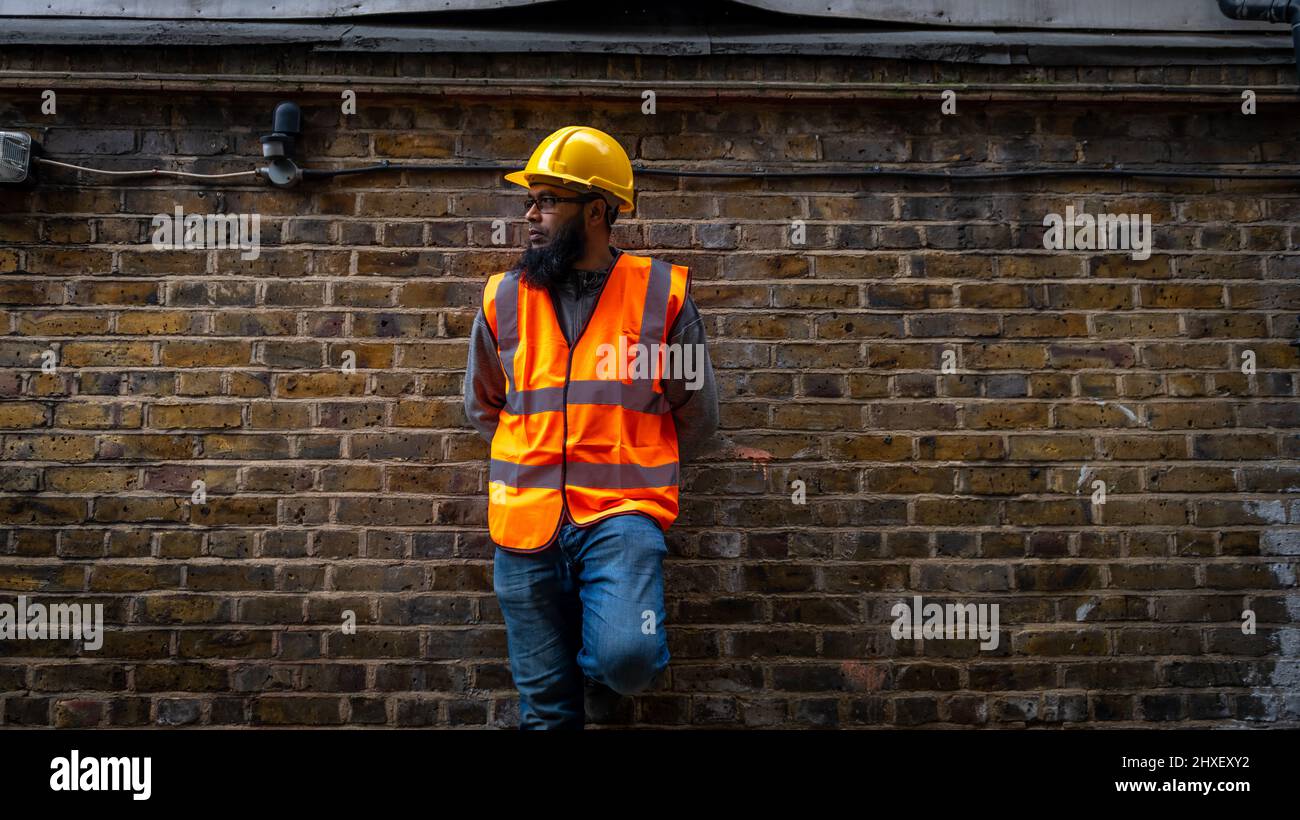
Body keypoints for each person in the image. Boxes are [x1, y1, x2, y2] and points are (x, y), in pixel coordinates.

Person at [464, 125, 719, 729]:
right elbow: (483, 406)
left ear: (598, 211)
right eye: (530, 200)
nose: (531, 215)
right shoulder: (503, 299)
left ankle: (597, 655)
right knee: (546, 713)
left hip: (622, 519)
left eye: (548, 200)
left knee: (627, 658)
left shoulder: (661, 296)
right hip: (524, 523)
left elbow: (699, 416)